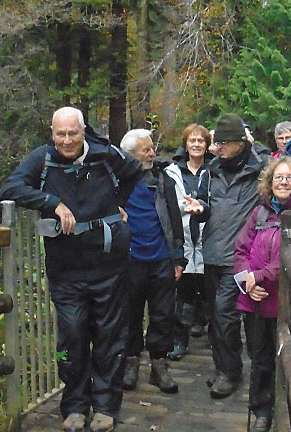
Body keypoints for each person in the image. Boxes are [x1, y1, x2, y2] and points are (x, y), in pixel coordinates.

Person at [0, 107, 142, 432]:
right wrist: (51, 202)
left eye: (72, 133)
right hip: (66, 267)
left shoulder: (105, 154)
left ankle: (106, 406)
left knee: (109, 335)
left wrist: (117, 201)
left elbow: (134, 169)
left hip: (108, 262)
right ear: (52, 132)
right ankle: (75, 406)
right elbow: (10, 189)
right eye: (60, 134)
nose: (67, 140)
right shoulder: (43, 159)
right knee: (73, 335)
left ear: (83, 130)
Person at [183, 113, 270, 399]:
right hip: (212, 253)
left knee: (226, 314)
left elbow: (290, 187)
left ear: (240, 142)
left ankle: (232, 373)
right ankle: (226, 368)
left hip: (242, 257)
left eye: (223, 143)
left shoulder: (263, 170)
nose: (216, 147)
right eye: (216, 142)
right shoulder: (213, 170)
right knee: (217, 317)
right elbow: (211, 206)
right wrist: (201, 209)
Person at [234, 156, 291, 432]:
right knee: (259, 359)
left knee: (286, 359)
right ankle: (262, 412)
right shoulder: (260, 213)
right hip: (253, 298)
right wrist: (246, 280)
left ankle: (287, 412)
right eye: (278, 177)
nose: (283, 182)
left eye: (289, 177)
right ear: (270, 182)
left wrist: (260, 276)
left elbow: (288, 258)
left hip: (283, 302)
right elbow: (240, 250)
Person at [119, 129, 187, 394]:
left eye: (151, 149)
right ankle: (130, 364)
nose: (151, 153)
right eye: (145, 150)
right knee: (130, 314)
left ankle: (159, 366)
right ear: (130, 155)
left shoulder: (162, 180)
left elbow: (174, 219)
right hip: (129, 259)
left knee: (163, 315)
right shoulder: (117, 184)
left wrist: (178, 258)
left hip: (161, 258)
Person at [164, 124, 213, 359]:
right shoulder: (171, 173)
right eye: (192, 140)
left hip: (208, 240)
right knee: (180, 297)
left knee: (211, 295)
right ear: (185, 144)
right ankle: (179, 341)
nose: (196, 145)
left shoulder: (214, 171)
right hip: (182, 240)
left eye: (200, 141)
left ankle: (217, 341)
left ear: (207, 144)